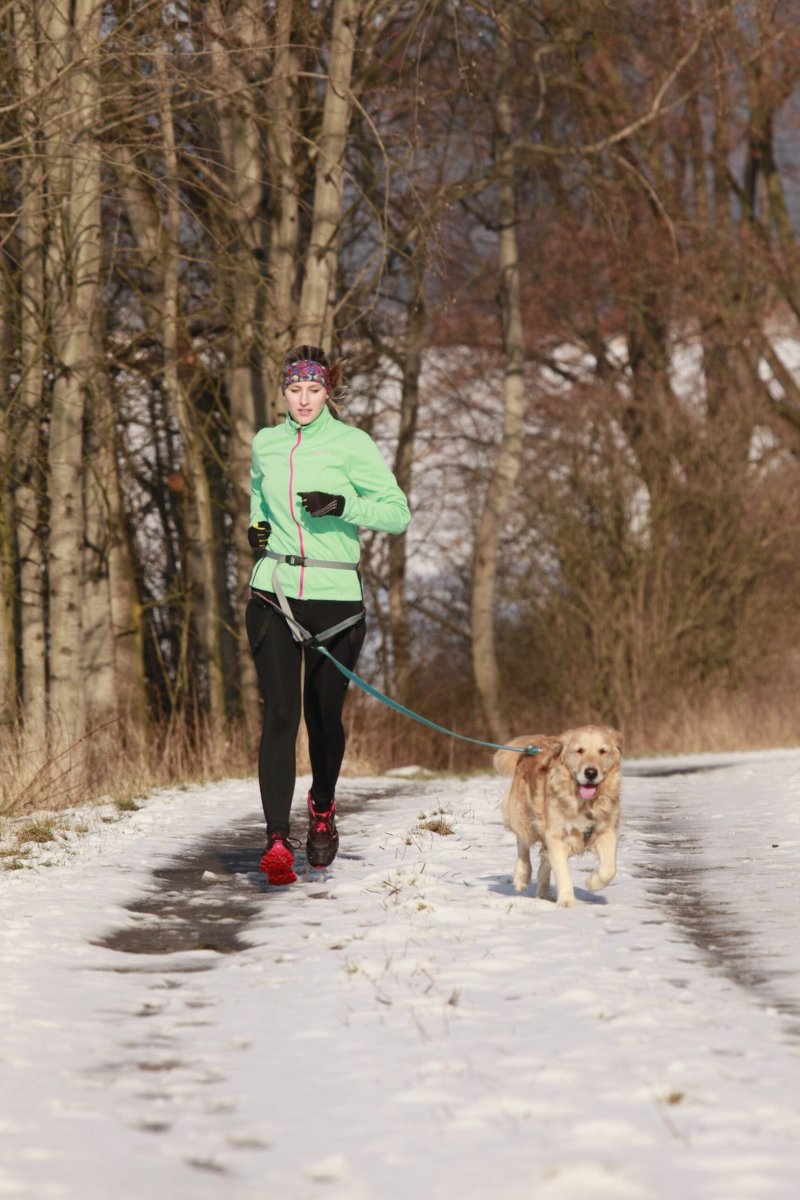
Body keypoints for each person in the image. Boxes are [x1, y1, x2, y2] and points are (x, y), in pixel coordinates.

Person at [245, 345, 411, 885]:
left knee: (322, 718)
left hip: (335, 597)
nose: (303, 399)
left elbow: (398, 514)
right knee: (280, 717)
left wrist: (344, 505)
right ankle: (275, 838)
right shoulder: (266, 443)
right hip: (273, 590)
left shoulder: (351, 444)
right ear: (283, 390)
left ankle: (321, 807)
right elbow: (257, 496)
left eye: (313, 389)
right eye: (294, 389)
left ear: (328, 391)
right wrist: (257, 529)